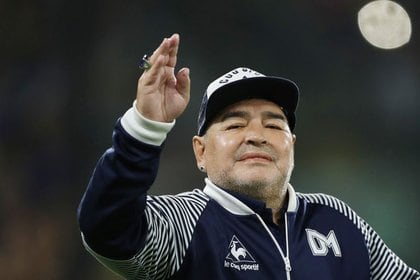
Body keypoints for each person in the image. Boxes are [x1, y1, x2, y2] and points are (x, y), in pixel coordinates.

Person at [77, 33, 419, 280]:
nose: (256, 135)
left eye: (273, 125)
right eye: (234, 124)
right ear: (200, 152)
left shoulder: (337, 221)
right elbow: (107, 229)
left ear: (292, 146)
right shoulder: (185, 222)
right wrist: (145, 129)